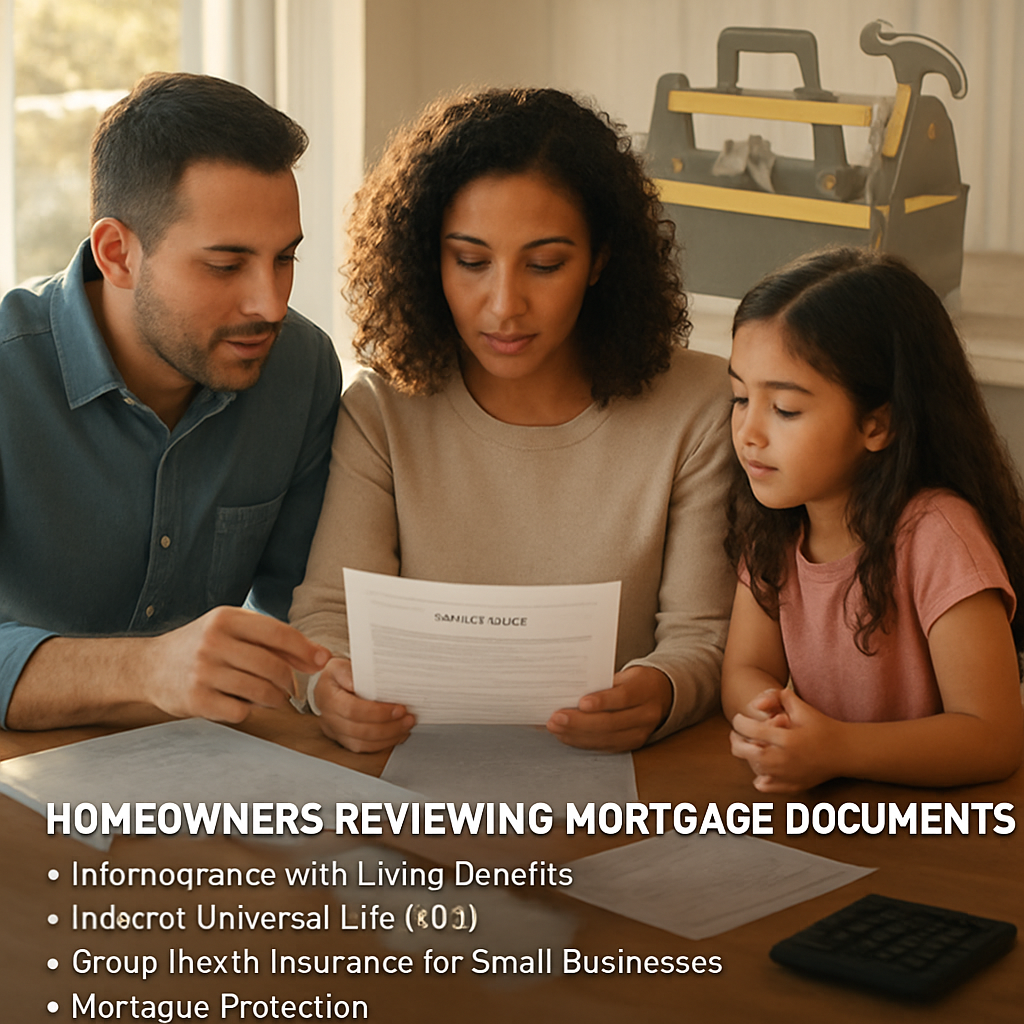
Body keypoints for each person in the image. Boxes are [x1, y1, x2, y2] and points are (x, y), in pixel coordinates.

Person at [289, 87, 734, 754]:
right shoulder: (382, 411)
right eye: (470, 261)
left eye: (546, 264)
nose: (504, 305)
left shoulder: (699, 406)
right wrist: (328, 688)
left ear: (600, 260)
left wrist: (662, 691)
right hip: (414, 782)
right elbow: (326, 614)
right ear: (426, 258)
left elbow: (703, 637)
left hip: (623, 787)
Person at [0, 72, 341, 731]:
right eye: (225, 265)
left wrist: (334, 683)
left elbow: (302, 613)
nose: (270, 304)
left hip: (202, 772)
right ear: (116, 253)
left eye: (285, 259)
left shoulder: (300, 369)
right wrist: (147, 670)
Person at [723, 247, 1024, 792]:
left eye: (785, 409)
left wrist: (834, 747)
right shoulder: (775, 525)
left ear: (877, 425)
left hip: (936, 831)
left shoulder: (938, 535)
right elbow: (745, 670)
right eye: (740, 397)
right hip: (833, 812)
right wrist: (770, 721)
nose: (748, 432)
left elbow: (992, 736)